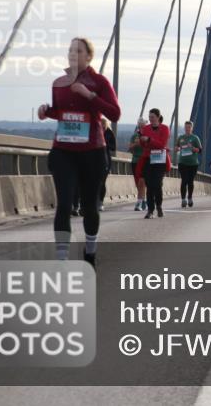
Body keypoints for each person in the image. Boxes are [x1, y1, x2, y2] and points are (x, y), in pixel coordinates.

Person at [38, 37, 121, 267]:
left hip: (92, 152)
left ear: (88, 56)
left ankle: (90, 250)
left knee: (89, 208)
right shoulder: (59, 82)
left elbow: (115, 114)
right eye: (70, 50)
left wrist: (90, 95)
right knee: (64, 204)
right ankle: (62, 259)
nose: (73, 53)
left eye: (78, 50)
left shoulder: (100, 82)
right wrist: (46, 111)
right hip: (63, 151)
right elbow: (61, 112)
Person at [137, 108, 170, 219]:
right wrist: (141, 139)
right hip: (148, 158)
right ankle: (150, 210)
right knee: (149, 185)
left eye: (152, 117)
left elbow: (162, 144)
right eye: (149, 117)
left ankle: (159, 206)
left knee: (157, 184)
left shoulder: (165, 128)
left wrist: (149, 140)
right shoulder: (146, 128)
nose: (150, 119)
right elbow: (143, 145)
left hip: (160, 159)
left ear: (158, 117)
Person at [176, 120, 202, 208]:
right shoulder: (181, 137)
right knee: (184, 181)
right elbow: (177, 146)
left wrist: (193, 148)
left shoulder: (195, 138)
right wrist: (177, 149)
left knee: (190, 181)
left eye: (189, 127)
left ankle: (190, 197)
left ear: (192, 128)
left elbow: (200, 150)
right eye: (186, 127)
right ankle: (183, 199)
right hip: (182, 162)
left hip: (193, 163)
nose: (187, 129)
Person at [127, 118, 148, 211]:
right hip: (135, 160)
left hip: (145, 160)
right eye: (140, 125)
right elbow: (130, 148)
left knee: (142, 182)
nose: (142, 126)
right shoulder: (134, 135)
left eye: (143, 125)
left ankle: (139, 202)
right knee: (137, 182)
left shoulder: (148, 135)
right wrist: (136, 144)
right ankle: (143, 200)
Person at [98, 117, 116, 212]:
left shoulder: (109, 133)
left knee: (102, 182)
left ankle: (100, 202)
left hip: (105, 159)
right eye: (100, 124)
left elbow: (113, 147)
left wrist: (104, 144)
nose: (102, 126)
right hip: (94, 159)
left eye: (103, 125)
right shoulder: (95, 131)